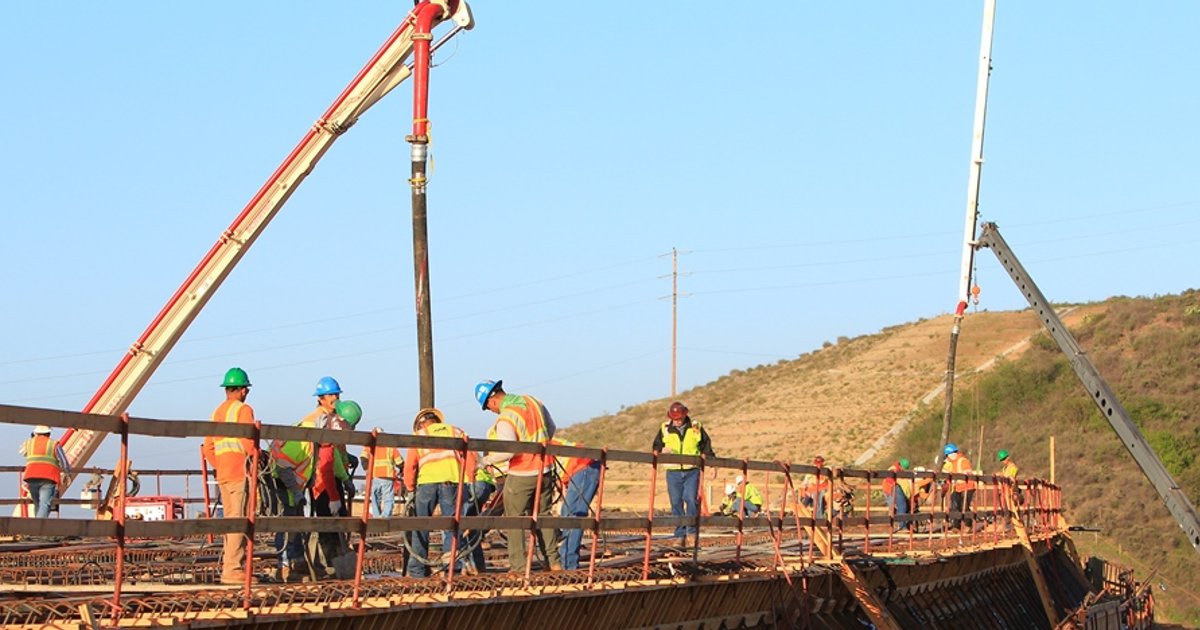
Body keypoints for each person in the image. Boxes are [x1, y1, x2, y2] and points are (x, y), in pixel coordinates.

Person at [476, 379, 560, 571]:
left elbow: (509, 451)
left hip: (522, 472)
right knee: (544, 516)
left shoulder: (506, 417)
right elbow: (551, 428)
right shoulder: (533, 402)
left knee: (514, 519)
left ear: (491, 401)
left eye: (488, 408)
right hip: (546, 470)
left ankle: (519, 568)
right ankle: (554, 563)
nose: (492, 411)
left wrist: (484, 462)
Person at [201, 367, 257, 585]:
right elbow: (248, 443)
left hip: (223, 474)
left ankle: (230, 567)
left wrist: (222, 465)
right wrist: (255, 460)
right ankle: (233, 569)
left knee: (230, 520)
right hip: (239, 473)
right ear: (243, 390)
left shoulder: (216, 412)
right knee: (239, 521)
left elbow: (208, 448)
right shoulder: (243, 410)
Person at [404, 407, 475, 577]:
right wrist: (470, 480)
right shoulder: (455, 431)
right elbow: (470, 457)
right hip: (451, 483)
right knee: (451, 527)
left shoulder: (419, 435)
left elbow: (410, 466)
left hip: (426, 484)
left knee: (420, 526)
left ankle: (417, 571)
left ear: (421, 424)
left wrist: (410, 488)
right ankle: (451, 569)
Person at [304, 376, 352, 577]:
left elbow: (337, 451)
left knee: (340, 520)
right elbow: (323, 457)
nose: (335, 398)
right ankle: (328, 562)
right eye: (331, 395)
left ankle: (336, 558)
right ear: (321, 398)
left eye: (337, 394)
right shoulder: (318, 420)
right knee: (325, 522)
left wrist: (346, 466)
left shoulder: (336, 419)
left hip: (335, 474)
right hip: (320, 479)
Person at [651, 401, 715, 541]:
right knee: (675, 502)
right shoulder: (665, 428)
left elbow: (706, 446)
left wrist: (712, 465)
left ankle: (691, 532)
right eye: (675, 419)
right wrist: (661, 451)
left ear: (685, 415)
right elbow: (656, 447)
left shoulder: (695, 427)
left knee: (691, 499)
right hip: (673, 471)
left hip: (692, 470)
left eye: (680, 418)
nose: (678, 421)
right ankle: (680, 534)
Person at [550, 437, 601, 570]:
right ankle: (567, 560)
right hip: (581, 467)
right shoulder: (544, 441)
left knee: (573, 515)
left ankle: (569, 564)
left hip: (583, 466)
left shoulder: (538, 445)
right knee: (567, 513)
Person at [20, 425, 69, 518]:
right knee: (44, 505)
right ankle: (38, 526)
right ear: (49, 433)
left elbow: (23, 452)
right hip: (48, 477)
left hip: (31, 477)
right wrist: (67, 472)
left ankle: (36, 525)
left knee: (37, 504)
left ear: (36, 433)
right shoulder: (54, 444)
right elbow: (64, 461)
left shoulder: (28, 443)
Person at [361, 418, 403, 519]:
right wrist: (401, 470)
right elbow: (400, 462)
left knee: (375, 498)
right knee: (388, 498)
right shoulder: (390, 446)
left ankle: (376, 518)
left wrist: (367, 469)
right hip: (387, 476)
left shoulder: (370, 445)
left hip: (375, 475)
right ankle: (385, 517)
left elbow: (363, 458)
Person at [940, 443, 976, 532]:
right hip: (957, 488)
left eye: (947, 456)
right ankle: (956, 526)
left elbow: (968, 474)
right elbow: (946, 477)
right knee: (955, 505)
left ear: (951, 454)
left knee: (964, 506)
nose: (947, 458)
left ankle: (968, 524)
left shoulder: (963, 461)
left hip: (967, 487)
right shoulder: (950, 464)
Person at [881, 459, 911, 532]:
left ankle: (900, 525)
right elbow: (890, 481)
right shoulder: (893, 469)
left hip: (892, 488)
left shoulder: (896, 469)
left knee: (899, 507)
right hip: (891, 489)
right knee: (901, 506)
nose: (904, 470)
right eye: (904, 469)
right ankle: (901, 526)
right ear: (901, 466)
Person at [800, 455, 831, 520]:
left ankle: (819, 518)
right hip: (811, 491)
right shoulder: (811, 472)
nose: (818, 464)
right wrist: (805, 491)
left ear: (823, 463)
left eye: (820, 462)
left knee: (819, 495)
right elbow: (804, 484)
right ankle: (800, 516)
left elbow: (827, 483)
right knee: (805, 502)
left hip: (821, 490)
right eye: (817, 462)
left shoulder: (826, 471)